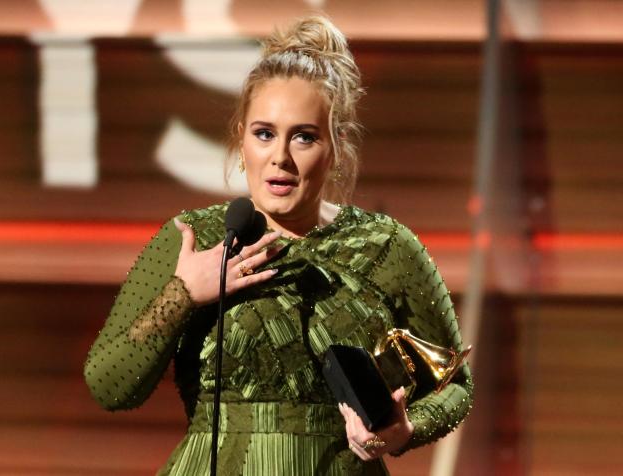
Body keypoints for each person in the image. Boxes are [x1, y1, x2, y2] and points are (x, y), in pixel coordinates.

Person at [84, 15, 473, 476]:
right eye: (264, 133)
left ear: (336, 146)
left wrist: (406, 431)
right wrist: (183, 293)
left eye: (304, 137)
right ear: (241, 138)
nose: (280, 158)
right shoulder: (195, 241)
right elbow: (108, 385)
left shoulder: (388, 247)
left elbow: (457, 385)